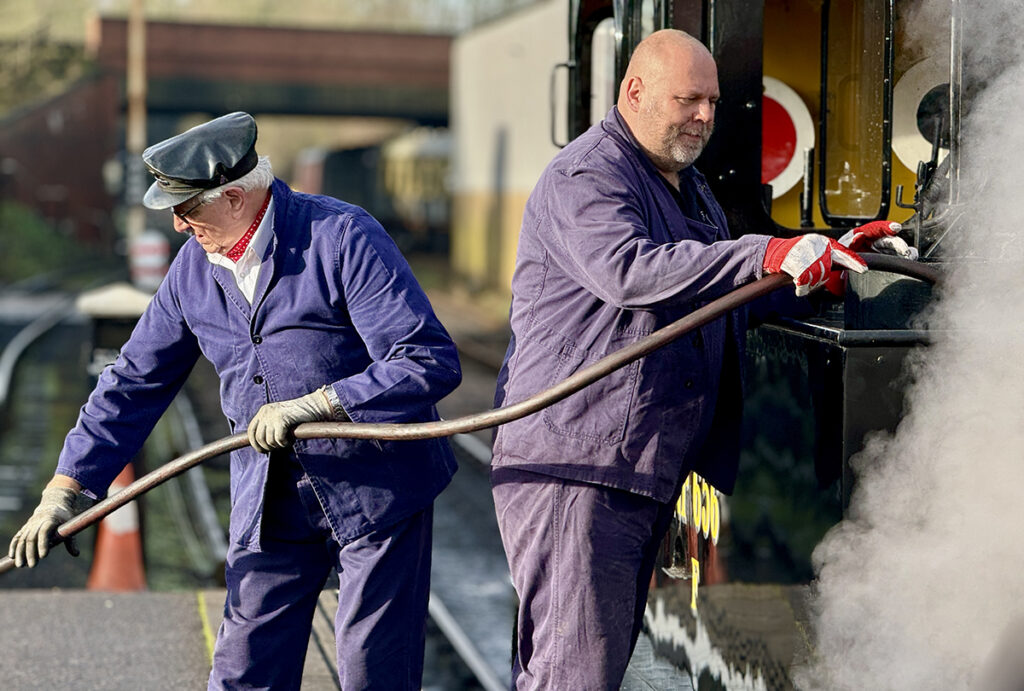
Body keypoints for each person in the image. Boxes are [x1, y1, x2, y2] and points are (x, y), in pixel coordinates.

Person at [490, 29, 912, 689]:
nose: (707, 117)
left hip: (631, 468)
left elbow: (730, 295)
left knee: (588, 669)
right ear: (635, 91)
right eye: (689, 99)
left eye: (713, 102)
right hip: (578, 469)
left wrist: (826, 263)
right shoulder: (587, 174)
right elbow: (630, 270)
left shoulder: (687, 188)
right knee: (572, 674)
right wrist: (765, 253)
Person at [8, 112, 462, 690]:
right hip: (270, 499)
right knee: (243, 673)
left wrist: (319, 404)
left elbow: (426, 359)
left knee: (373, 672)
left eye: (187, 207)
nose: (176, 224)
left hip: (376, 493)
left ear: (233, 197)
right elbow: (132, 382)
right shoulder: (192, 271)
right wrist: (65, 490)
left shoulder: (342, 237)